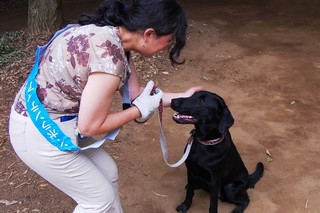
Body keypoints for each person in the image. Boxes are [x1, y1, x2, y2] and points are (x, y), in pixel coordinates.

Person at [9, 0, 202, 212]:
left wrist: (182, 97)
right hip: (39, 133)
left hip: (55, 120)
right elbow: (90, 127)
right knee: (98, 200)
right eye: (169, 40)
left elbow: (138, 95)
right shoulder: (109, 60)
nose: (168, 47)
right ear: (149, 34)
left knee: (108, 172)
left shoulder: (112, 34)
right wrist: (138, 111)